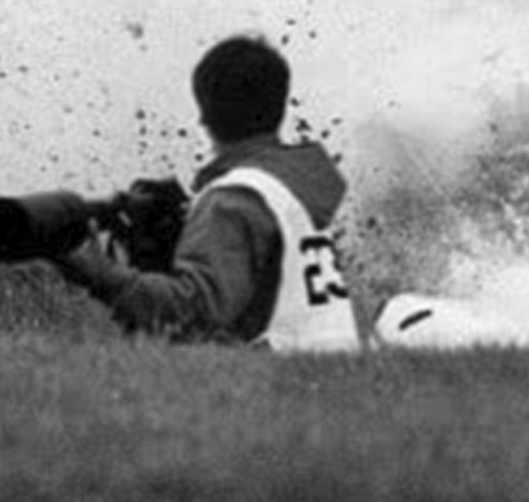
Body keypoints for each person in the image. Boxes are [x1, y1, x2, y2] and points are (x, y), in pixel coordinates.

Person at [53, 33, 362, 349]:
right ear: (279, 107)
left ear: (204, 114)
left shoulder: (231, 201)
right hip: (336, 371)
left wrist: (100, 274)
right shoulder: (292, 189)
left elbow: (194, 312)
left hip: (275, 381)